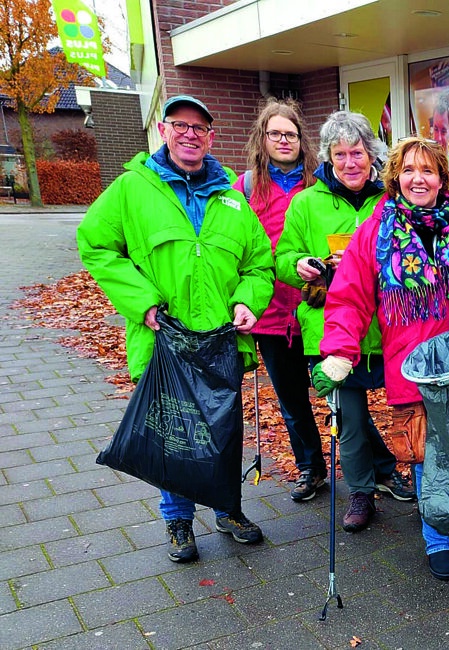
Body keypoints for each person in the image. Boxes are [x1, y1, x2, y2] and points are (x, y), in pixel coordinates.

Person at [314, 136, 449, 581]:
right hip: (415, 368)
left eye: (427, 170)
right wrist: (337, 354)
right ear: (395, 178)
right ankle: (440, 536)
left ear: (442, 177)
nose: (417, 178)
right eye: (408, 169)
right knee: (429, 456)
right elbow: (348, 298)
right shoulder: (376, 230)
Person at [78, 95, 275, 563]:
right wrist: (142, 303)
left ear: (211, 135)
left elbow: (260, 262)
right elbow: (95, 245)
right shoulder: (132, 189)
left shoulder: (231, 194)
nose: (190, 134)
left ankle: (228, 509)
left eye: (199, 127)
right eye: (179, 125)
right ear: (163, 131)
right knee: (173, 436)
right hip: (164, 337)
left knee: (224, 431)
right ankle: (179, 521)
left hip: (221, 342)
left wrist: (249, 300)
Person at [275, 111, 415, 531]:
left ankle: (404, 474)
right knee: (349, 420)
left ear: (371, 154)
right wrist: (301, 264)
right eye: (340, 155)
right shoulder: (306, 203)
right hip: (331, 330)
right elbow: (281, 260)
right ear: (328, 158)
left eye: (357, 153)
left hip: (391, 328)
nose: (350, 163)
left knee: (408, 410)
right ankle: (360, 491)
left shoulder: (395, 200)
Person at [234, 98, 326, 503]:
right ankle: (311, 468)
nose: (284, 140)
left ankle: (374, 466)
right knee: (292, 399)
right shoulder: (245, 187)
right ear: (263, 138)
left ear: (302, 140)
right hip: (271, 315)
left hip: (317, 305)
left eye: (291, 133)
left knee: (341, 390)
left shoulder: (321, 182)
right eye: (275, 134)